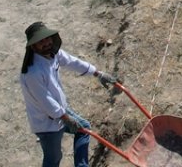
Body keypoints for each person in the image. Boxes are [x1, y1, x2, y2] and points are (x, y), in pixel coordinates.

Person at [20, 22, 117, 167]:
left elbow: (73, 62)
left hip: (60, 111)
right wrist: (66, 119)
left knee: (84, 128)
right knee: (53, 159)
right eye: (40, 41)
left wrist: (98, 73)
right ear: (33, 46)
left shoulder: (53, 54)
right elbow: (45, 101)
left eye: (47, 38)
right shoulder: (33, 72)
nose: (46, 43)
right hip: (46, 123)